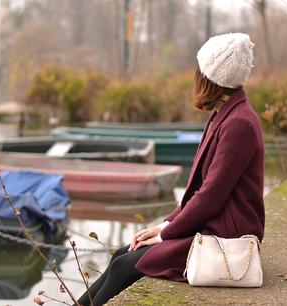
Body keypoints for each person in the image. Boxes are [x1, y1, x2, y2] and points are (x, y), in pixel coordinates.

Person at [77, 32, 265, 306]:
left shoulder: (239, 124)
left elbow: (210, 196)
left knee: (124, 266)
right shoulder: (224, 114)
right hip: (212, 224)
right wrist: (165, 224)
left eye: (199, 71)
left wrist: (165, 233)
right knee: (121, 254)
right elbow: (201, 191)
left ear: (211, 77)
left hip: (224, 235)